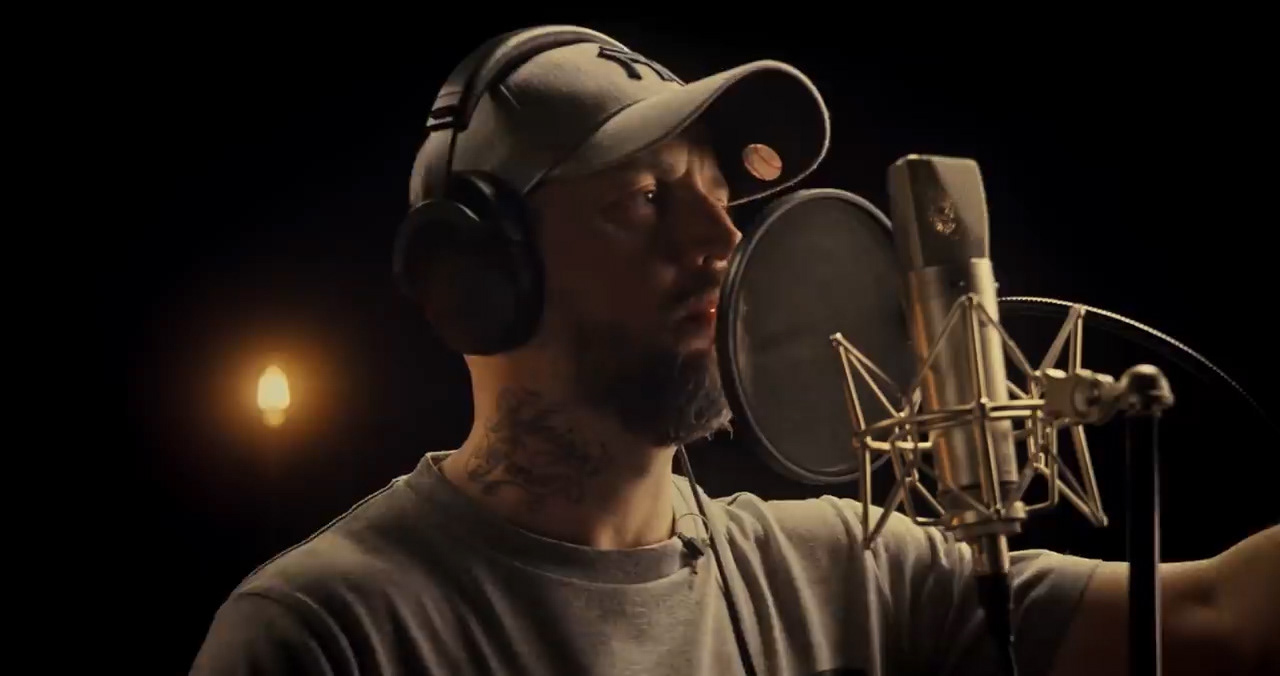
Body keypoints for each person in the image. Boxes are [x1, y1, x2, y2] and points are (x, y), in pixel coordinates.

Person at [189, 25, 1279, 676]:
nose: (720, 241)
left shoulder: (839, 572)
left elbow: (1219, 620)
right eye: (644, 199)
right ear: (476, 275)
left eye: (719, 197)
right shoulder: (331, 631)